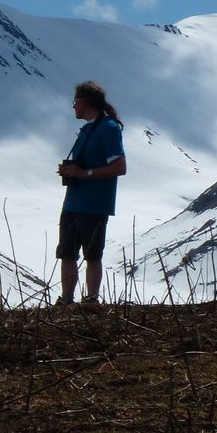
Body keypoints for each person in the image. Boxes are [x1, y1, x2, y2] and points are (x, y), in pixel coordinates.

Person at [55, 81, 126, 305]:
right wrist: (72, 171)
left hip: (94, 204)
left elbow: (120, 167)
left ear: (85, 102)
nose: (74, 106)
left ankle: (91, 299)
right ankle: (67, 299)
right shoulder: (87, 129)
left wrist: (84, 173)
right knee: (66, 253)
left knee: (92, 255)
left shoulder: (109, 128)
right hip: (74, 202)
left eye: (75, 102)